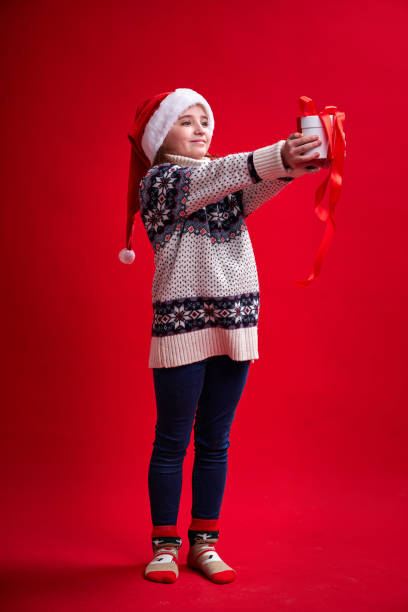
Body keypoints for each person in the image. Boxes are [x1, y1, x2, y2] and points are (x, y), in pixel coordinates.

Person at [118, 88, 328, 584]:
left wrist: (302, 158)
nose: (201, 129)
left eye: (205, 120)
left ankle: (204, 544)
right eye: (187, 122)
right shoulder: (160, 183)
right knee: (171, 442)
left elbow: (255, 182)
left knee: (215, 441)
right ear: (158, 135)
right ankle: (164, 546)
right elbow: (221, 174)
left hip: (235, 324)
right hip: (181, 329)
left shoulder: (222, 179)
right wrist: (275, 155)